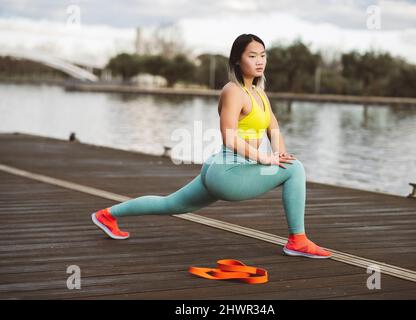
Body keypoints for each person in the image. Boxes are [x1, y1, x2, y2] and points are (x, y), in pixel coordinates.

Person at [91, 33, 332, 259]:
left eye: (263, 55)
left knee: (170, 204)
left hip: (221, 168)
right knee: (295, 169)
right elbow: (229, 137)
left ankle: (107, 215)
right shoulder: (233, 91)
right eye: (252, 56)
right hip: (227, 172)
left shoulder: (259, 93)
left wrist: (279, 152)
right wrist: (265, 158)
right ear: (237, 61)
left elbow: (273, 128)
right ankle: (297, 241)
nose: (260, 61)